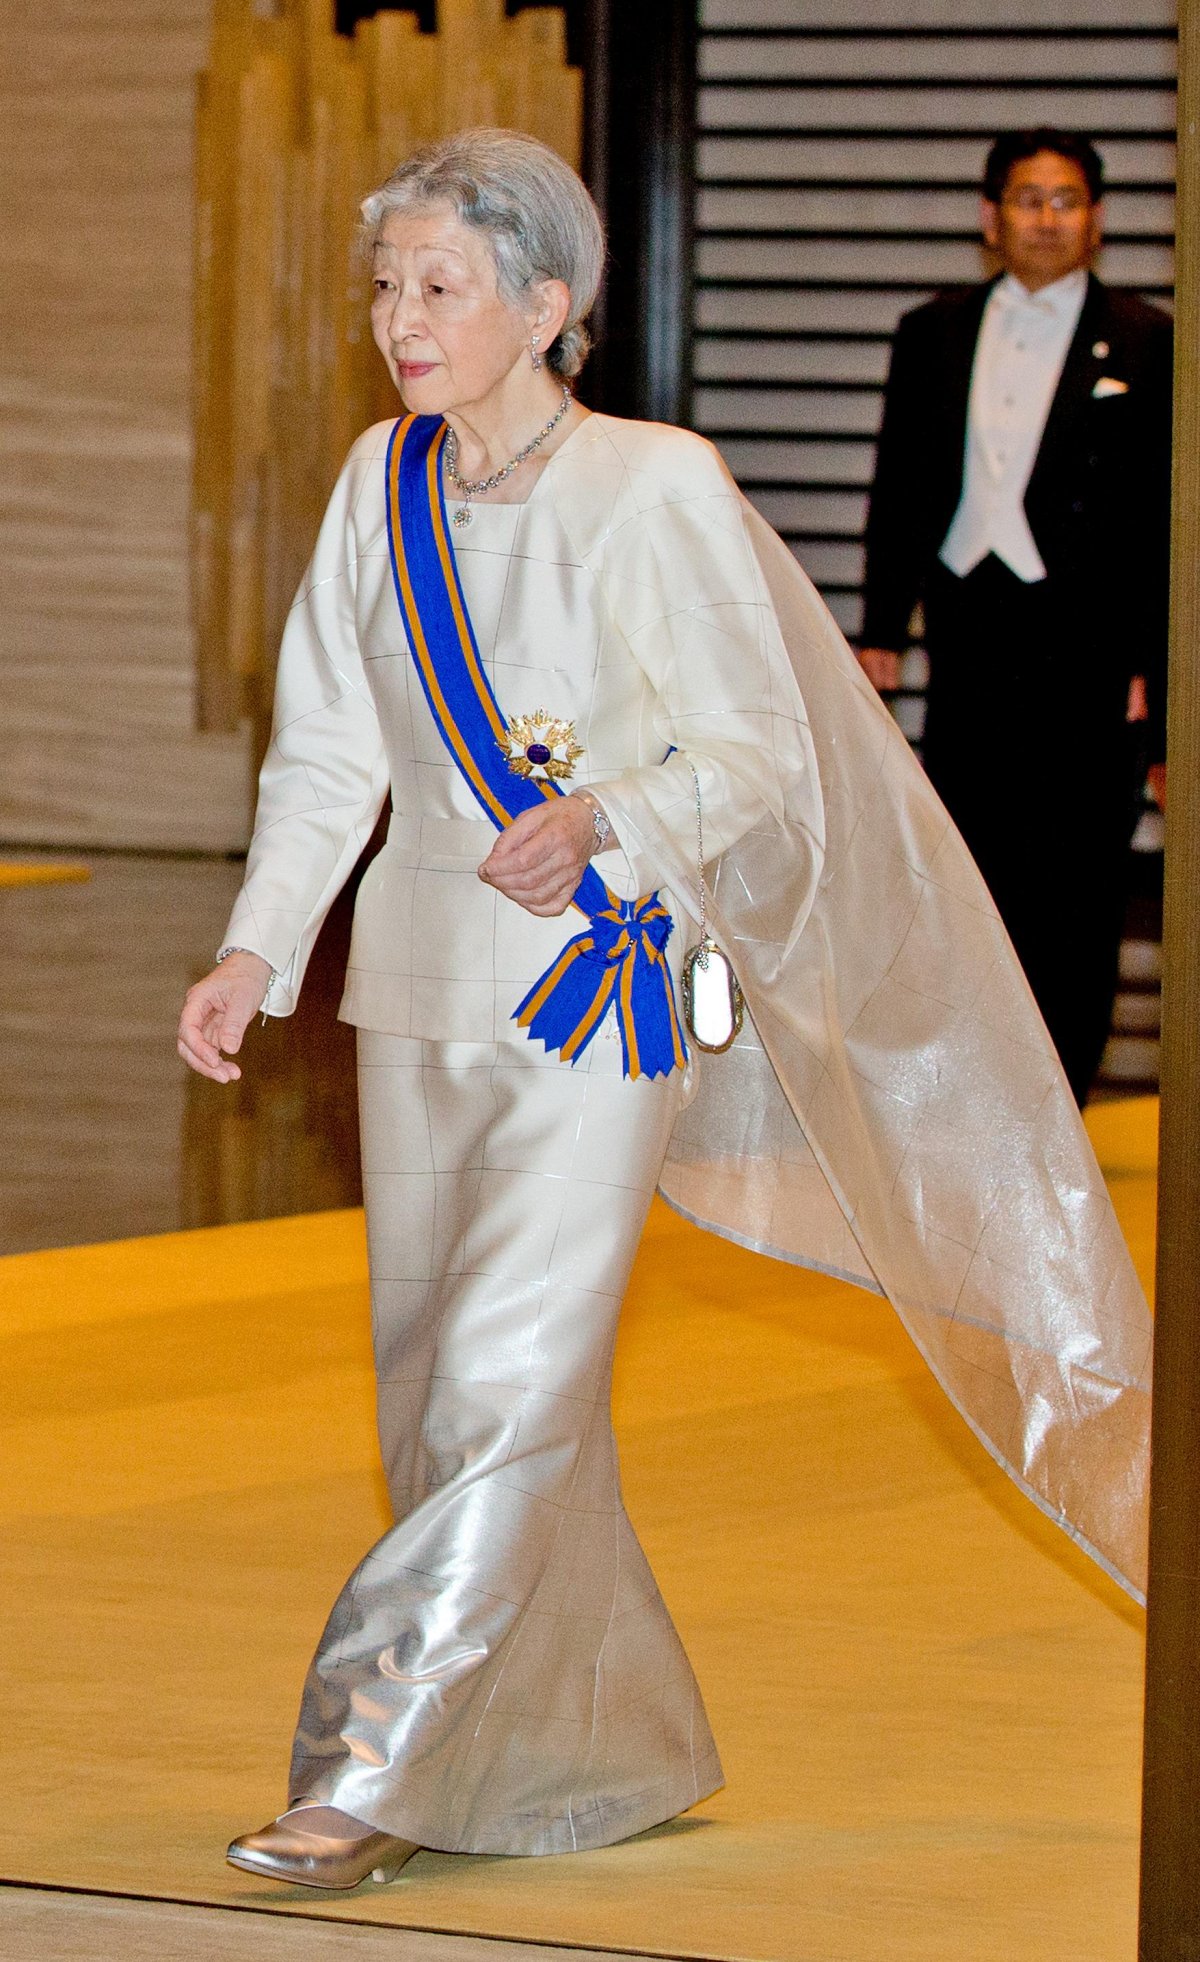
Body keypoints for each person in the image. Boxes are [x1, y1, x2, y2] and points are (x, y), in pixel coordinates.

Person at [177, 128, 1152, 1893]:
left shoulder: (658, 482)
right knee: (438, 1399)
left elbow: (765, 748)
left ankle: (364, 1765)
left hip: (592, 997)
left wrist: (606, 813)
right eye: (386, 285)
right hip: (408, 986)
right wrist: (258, 947)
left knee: (505, 1376)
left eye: (440, 287)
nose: (400, 319)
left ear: (547, 305)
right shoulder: (371, 486)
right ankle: (599, 1746)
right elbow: (325, 748)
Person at [859, 127, 1173, 1106]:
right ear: (990, 217)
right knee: (969, 868)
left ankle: (1064, 1092)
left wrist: (1158, 671)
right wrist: (880, 627)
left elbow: (1169, 513)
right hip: (969, 625)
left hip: (1091, 639)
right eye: (1027, 198)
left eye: (1067, 199)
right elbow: (901, 483)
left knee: (1079, 877)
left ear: (1099, 219)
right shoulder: (931, 329)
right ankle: (975, 1091)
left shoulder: (1152, 336)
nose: (1046, 217)